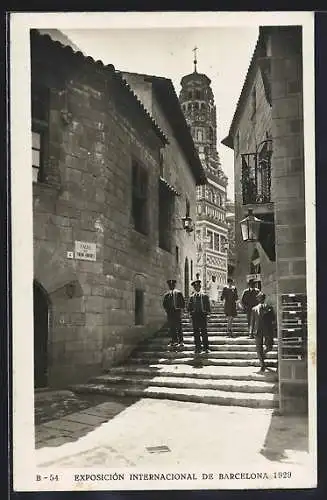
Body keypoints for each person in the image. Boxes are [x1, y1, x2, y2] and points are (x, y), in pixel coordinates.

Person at [250, 292, 276, 373]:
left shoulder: (269, 307)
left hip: (267, 330)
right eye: (258, 297)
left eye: (260, 297)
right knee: (258, 349)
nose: (259, 299)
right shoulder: (254, 309)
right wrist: (250, 332)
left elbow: (273, 319)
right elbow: (252, 321)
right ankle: (262, 365)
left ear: (263, 298)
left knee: (269, 347)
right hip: (257, 331)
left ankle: (263, 354)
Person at [188, 279, 211, 354]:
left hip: (203, 315)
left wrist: (208, 315)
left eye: (198, 286)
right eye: (195, 287)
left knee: (204, 331)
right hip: (195, 316)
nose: (197, 288)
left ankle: (206, 348)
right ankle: (197, 348)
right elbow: (189, 307)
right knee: (196, 332)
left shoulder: (204, 296)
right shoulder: (191, 297)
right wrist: (190, 316)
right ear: (194, 288)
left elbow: (208, 306)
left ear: (200, 287)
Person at [162, 279, 185, 349]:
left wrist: (181, 310)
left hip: (177, 312)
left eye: (172, 285)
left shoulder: (179, 293)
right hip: (170, 313)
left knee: (179, 327)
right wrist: (167, 310)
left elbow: (182, 302)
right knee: (172, 327)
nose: (171, 286)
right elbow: (164, 304)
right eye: (170, 285)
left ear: (174, 285)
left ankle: (181, 341)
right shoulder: (166, 295)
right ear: (169, 286)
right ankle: (174, 340)